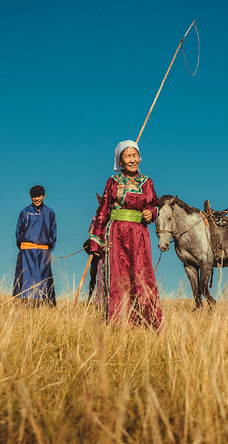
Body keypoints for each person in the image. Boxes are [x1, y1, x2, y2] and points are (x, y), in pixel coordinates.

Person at [89, 140, 163, 328]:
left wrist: (151, 213)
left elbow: (154, 205)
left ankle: (146, 323)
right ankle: (119, 323)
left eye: (135, 155)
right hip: (117, 235)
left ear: (140, 157)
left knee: (142, 276)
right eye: (127, 156)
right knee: (119, 278)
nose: (132, 160)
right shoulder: (113, 182)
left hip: (139, 235)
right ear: (120, 161)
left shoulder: (147, 182)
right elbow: (103, 211)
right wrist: (96, 242)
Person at [13, 185, 57, 305]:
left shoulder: (50, 212)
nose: (37, 199)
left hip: (43, 251)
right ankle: (24, 304)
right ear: (31, 197)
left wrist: (48, 249)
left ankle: (44, 305)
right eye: (34, 196)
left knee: (44, 278)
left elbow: (53, 231)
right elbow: (18, 231)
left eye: (39, 196)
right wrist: (24, 246)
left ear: (43, 196)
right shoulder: (25, 212)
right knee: (26, 278)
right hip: (26, 250)